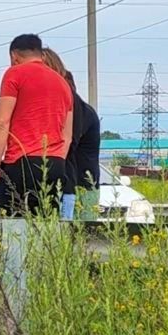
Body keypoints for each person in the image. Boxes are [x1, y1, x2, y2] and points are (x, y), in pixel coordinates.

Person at [0, 34, 73, 216]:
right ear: (40, 55)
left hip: (22, 162)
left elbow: (1, 122)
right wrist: (57, 160)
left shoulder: (15, 73)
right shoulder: (63, 83)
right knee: (46, 226)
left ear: (14, 56)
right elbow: (67, 135)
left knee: (11, 226)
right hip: (55, 164)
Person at [41, 47, 101, 220]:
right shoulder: (65, 100)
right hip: (70, 184)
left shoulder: (72, 104)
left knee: (77, 239)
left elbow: (66, 144)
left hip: (79, 186)